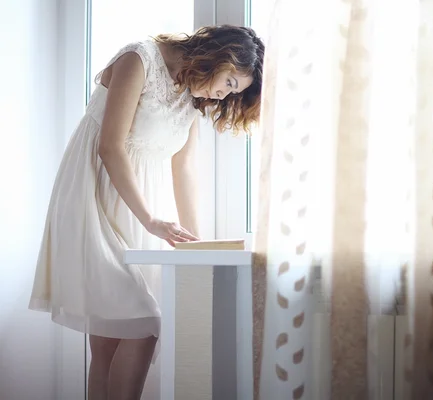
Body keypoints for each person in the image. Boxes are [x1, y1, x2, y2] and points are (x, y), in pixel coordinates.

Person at [28, 25, 264, 400]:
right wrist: (151, 220)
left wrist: (195, 247)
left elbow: (183, 169)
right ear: (220, 56)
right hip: (97, 200)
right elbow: (110, 147)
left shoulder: (193, 95)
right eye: (231, 82)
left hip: (141, 212)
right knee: (145, 325)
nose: (224, 94)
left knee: (110, 337)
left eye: (232, 92)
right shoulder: (138, 59)